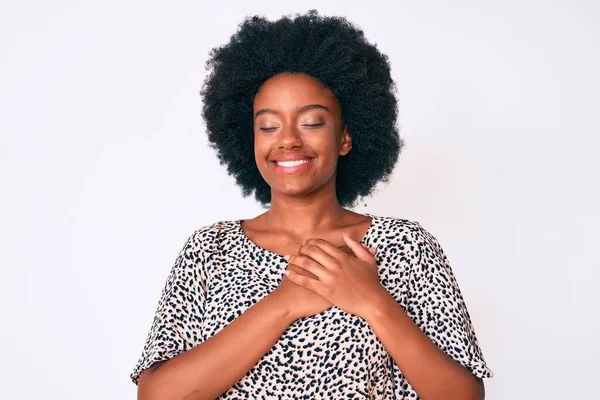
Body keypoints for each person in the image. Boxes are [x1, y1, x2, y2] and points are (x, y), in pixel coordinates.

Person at [130, 9, 493, 399]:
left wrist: (371, 301)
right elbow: (157, 396)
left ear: (345, 138)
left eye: (312, 122)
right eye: (268, 126)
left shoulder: (406, 247)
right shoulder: (209, 250)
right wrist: (284, 304)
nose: (287, 140)